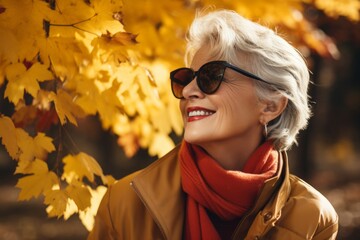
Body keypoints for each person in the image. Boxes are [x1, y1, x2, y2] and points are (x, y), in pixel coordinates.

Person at [88, 9, 338, 240]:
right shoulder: (124, 202)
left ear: (270, 105)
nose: (188, 90)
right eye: (186, 78)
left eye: (211, 76)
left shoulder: (313, 217)